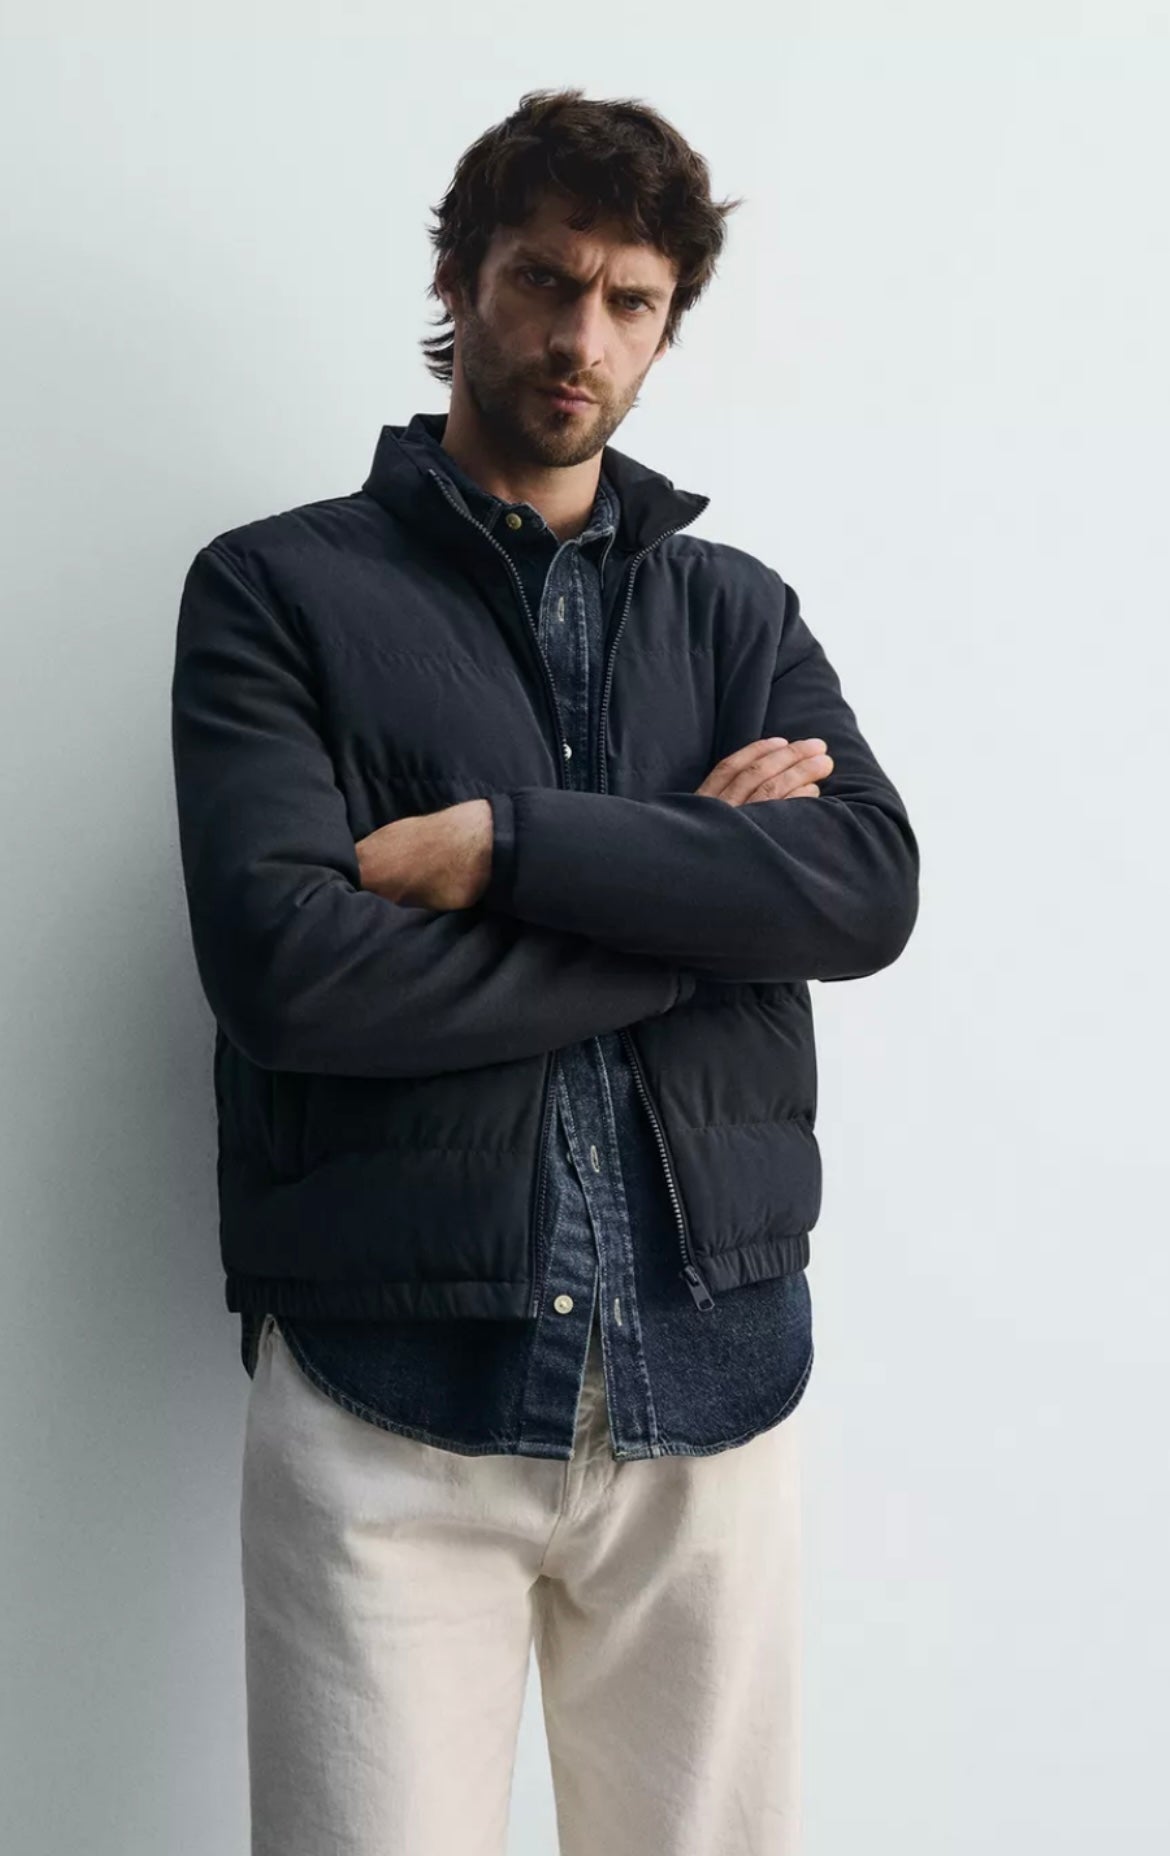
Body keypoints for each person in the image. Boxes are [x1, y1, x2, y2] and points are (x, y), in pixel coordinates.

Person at [170, 85, 919, 1856]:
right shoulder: (275, 591)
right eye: (544, 280)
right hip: (390, 1395)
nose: (583, 337)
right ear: (460, 278)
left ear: (667, 325)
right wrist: (694, 916)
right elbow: (293, 976)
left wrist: (504, 848)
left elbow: (864, 891)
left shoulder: (734, 611)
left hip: (711, 1380)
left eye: (630, 300)